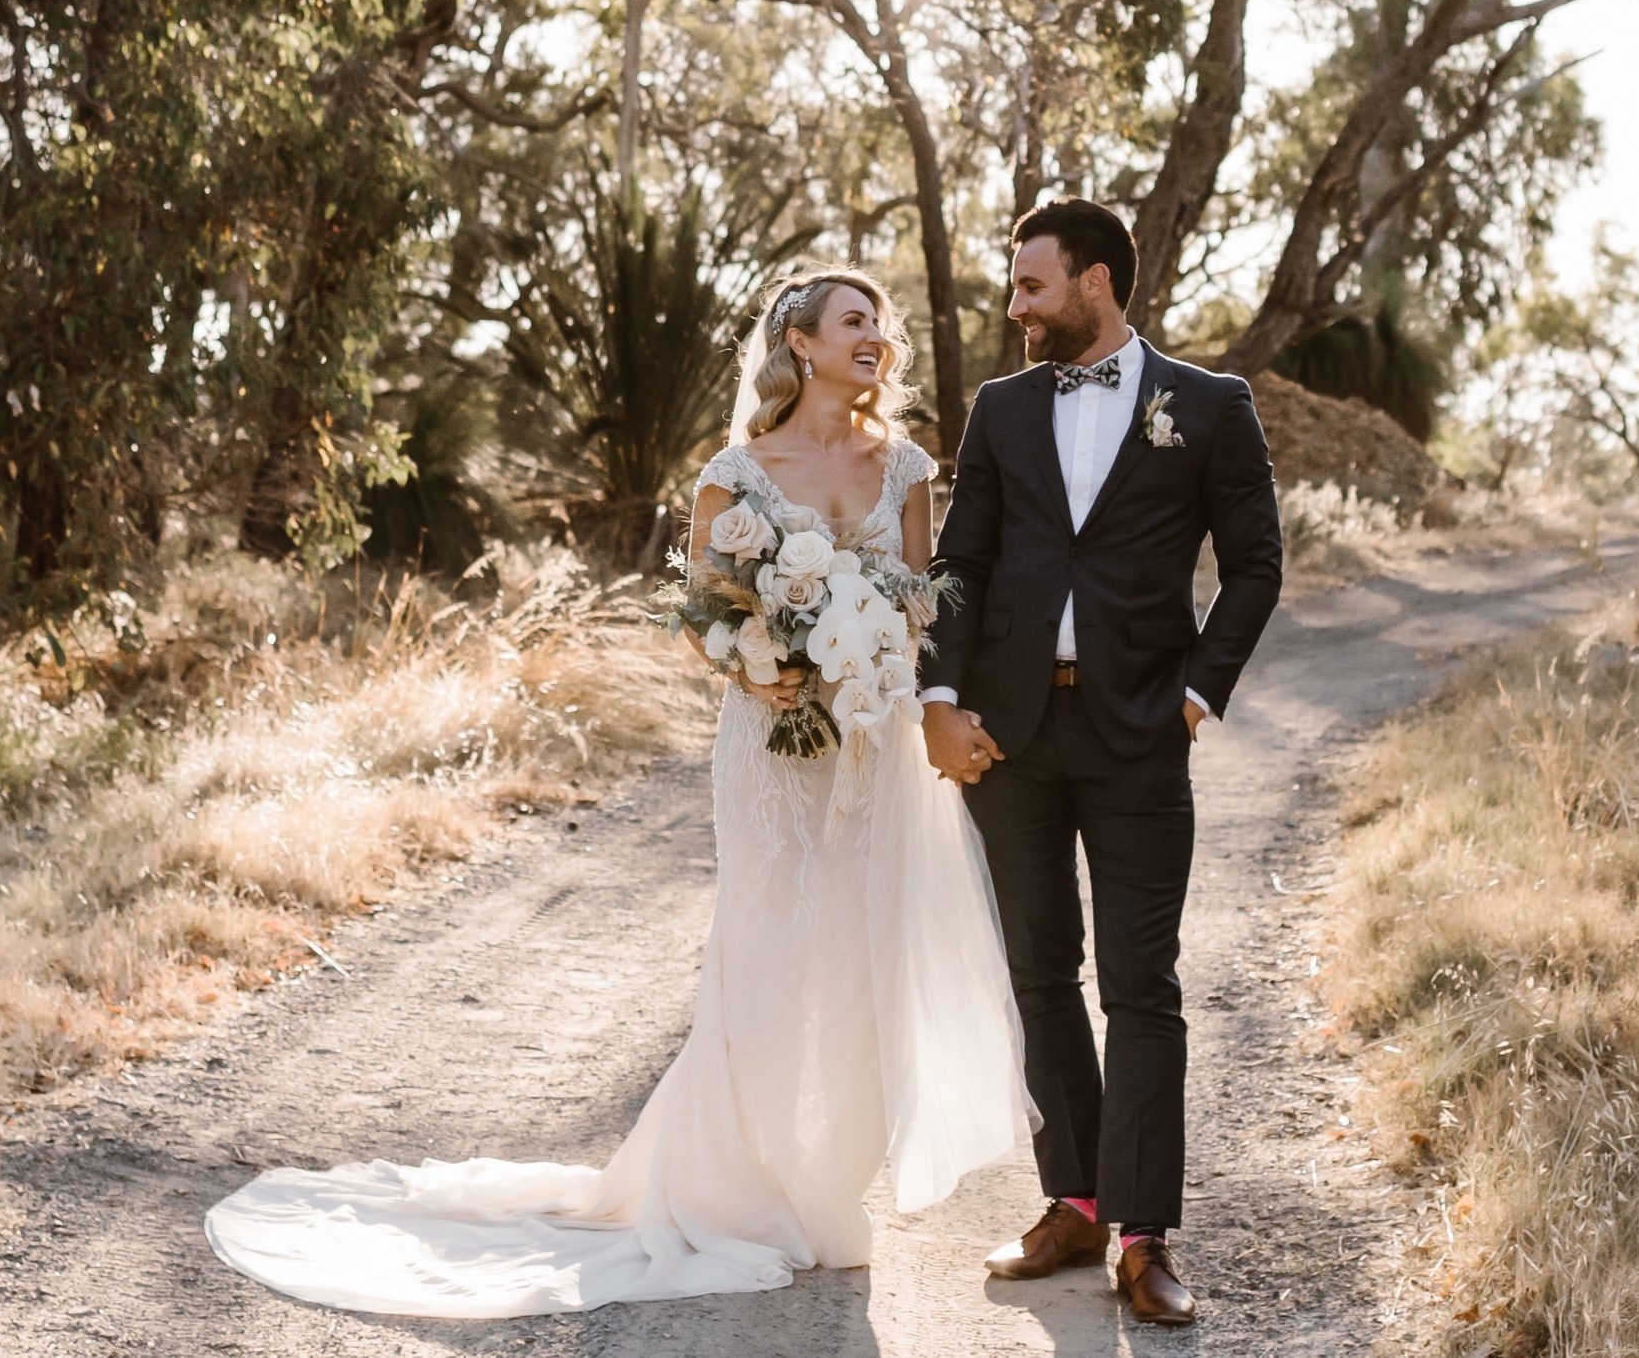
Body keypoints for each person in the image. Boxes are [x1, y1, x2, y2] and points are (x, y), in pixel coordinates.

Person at [203, 272, 1032, 1317]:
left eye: (881, 324)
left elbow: (918, 608)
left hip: (869, 744)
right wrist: (758, 668)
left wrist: (876, 660)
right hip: (771, 746)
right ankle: (737, 1187)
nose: (877, 336)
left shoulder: (904, 466)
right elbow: (702, 617)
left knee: (862, 963)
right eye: (854, 321)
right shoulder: (735, 474)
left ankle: (826, 1187)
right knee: (768, 952)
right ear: (800, 342)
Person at [920, 198, 1287, 1327]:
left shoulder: (1209, 406)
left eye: (1031, 284)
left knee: (1141, 984)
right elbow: (960, 559)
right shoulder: (1001, 408)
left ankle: (1142, 1235)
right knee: (1039, 972)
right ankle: (1072, 1202)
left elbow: (1256, 565)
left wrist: (1195, 695)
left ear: (1095, 281)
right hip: (1011, 735)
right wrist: (939, 697)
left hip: (1139, 735)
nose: (1015, 305)